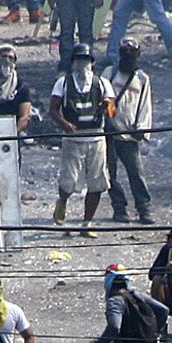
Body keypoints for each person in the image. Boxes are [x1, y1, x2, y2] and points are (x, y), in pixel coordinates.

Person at [49, 44, 111, 229]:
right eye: (79, 60)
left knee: (97, 181)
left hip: (96, 137)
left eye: (86, 60)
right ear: (73, 62)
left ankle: (87, 222)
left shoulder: (101, 83)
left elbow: (111, 107)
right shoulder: (64, 83)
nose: (82, 65)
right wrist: (65, 124)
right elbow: (53, 109)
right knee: (68, 180)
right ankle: (62, 201)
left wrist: (106, 107)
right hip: (73, 138)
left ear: (91, 63)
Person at [103, 38, 155, 224]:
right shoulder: (109, 74)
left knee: (136, 174)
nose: (128, 59)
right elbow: (104, 101)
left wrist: (141, 129)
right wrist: (107, 122)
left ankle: (144, 210)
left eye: (131, 56)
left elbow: (145, 106)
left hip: (129, 135)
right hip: (109, 134)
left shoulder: (142, 79)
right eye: (125, 55)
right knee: (110, 174)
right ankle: (119, 208)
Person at [148, 229, 172, 320]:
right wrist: (166, 269)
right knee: (157, 280)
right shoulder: (167, 249)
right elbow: (152, 273)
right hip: (169, 291)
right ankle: (160, 321)